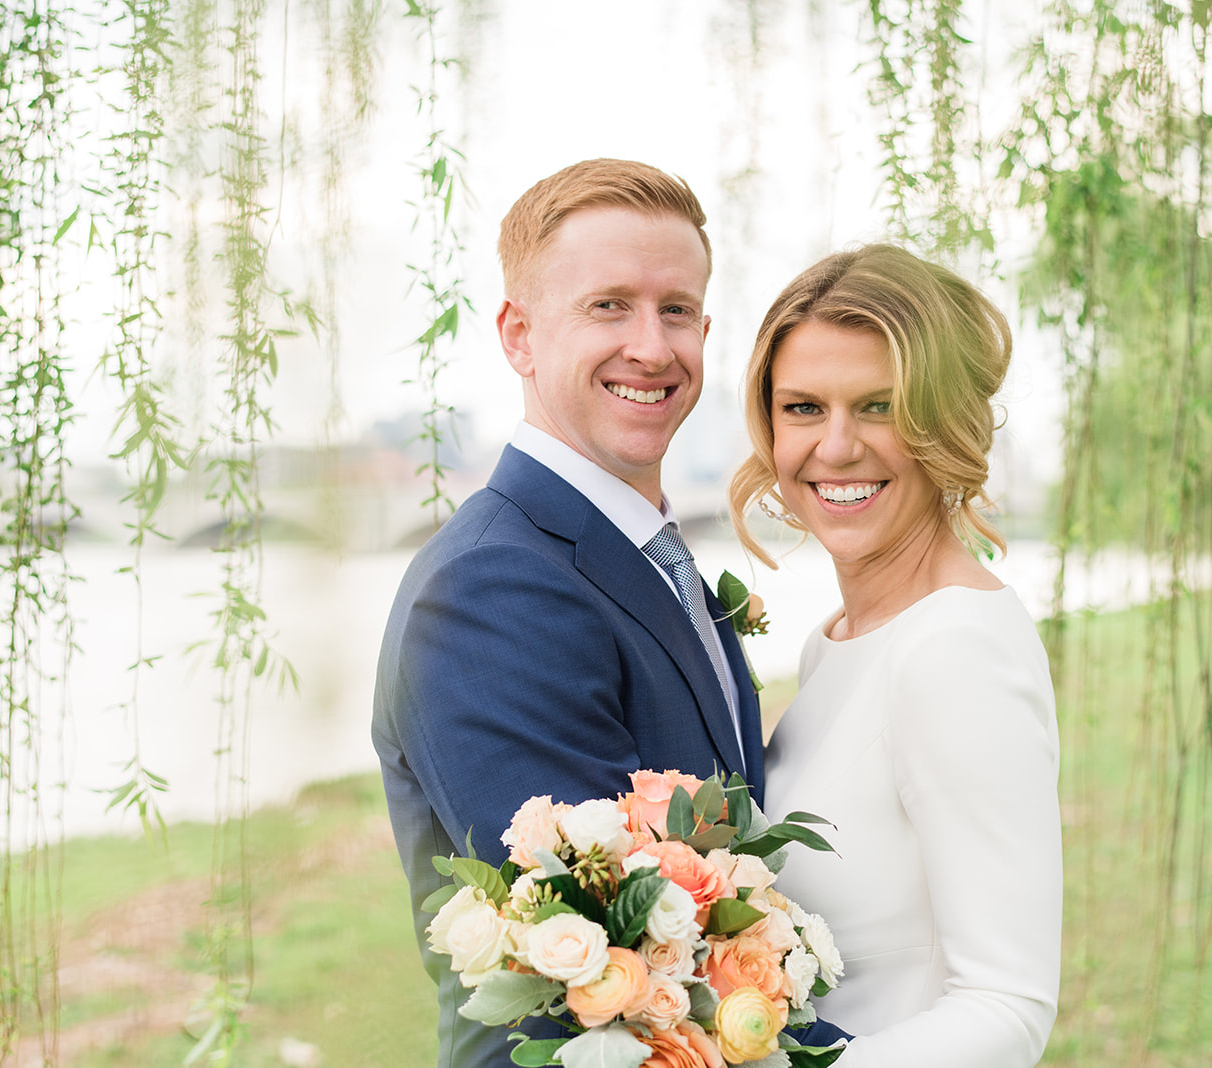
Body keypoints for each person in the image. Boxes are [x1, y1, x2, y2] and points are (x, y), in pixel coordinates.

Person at [372, 159, 771, 1068]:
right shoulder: (491, 590)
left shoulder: (640, 561)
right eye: (608, 306)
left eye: (677, 310)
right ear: (518, 334)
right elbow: (598, 966)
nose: (652, 345)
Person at [729, 244, 1063, 1066]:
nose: (836, 448)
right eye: (803, 408)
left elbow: (1009, 1008)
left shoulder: (951, 654)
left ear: (944, 422)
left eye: (878, 406)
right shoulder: (833, 646)